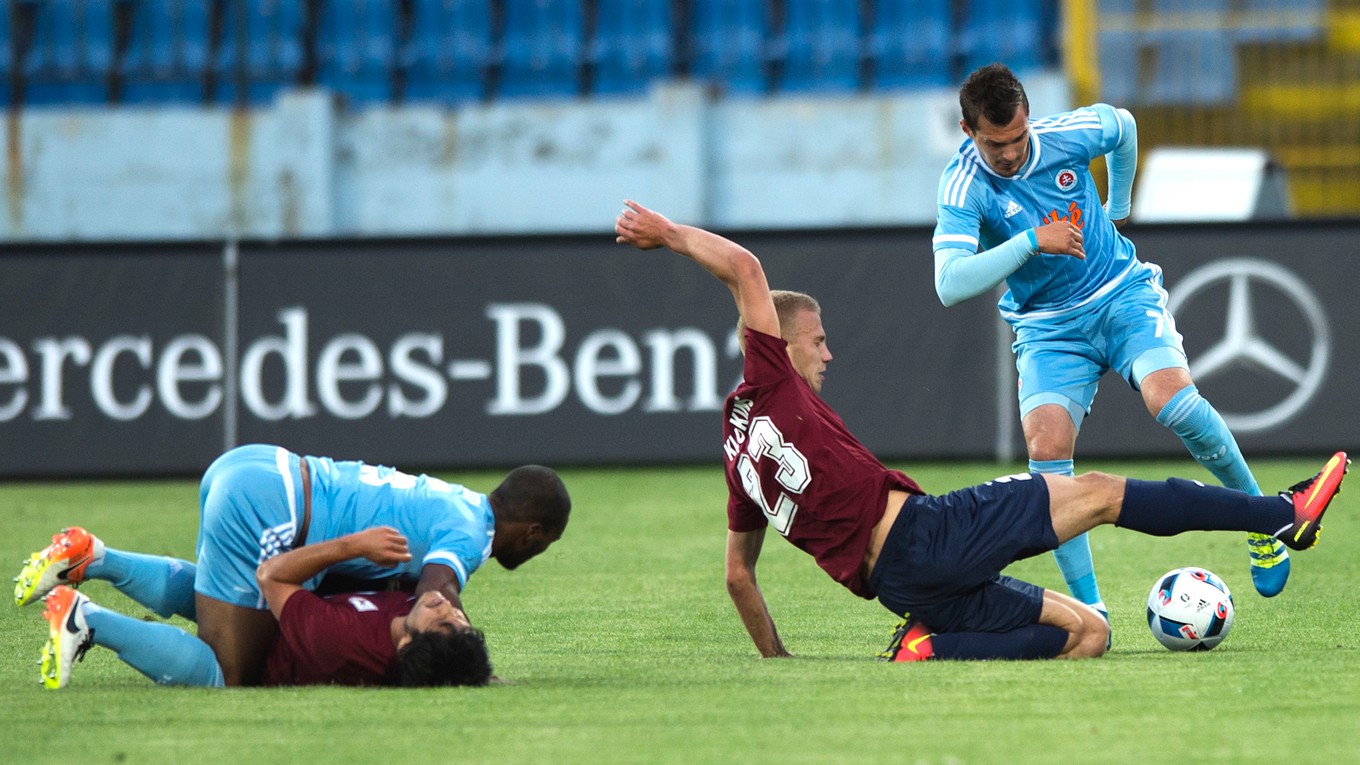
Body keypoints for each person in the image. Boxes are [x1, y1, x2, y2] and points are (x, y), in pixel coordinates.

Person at [614, 199, 1348, 661]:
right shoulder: (770, 374)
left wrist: (778, 661)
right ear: (784, 342)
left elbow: (739, 573)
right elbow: (744, 268)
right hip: (925, 535)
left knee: (1090, 634)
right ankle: (1280, 514)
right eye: (819, 340)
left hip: (901, 584)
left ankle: (935, 644)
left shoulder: (736, 451)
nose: (828, 351)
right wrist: (669, 232)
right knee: (1095, 492)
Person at [930, 63, 1290, 610]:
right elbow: (949, 285)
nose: (1009, 153)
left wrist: (1118, 207)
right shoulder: (963, 186)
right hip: (1048, 326)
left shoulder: (1064, 136)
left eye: (1017, 138)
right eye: (993, 143)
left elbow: (1122, 126)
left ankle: (1263, 524)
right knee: (1046, 453)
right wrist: (1031, 241)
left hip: (1120, 293)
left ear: (1029, 119)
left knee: (1174, 404)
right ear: (967, 131)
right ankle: (1090, 610)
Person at [15, 443, 570, 685]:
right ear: (532, 532)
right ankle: (85, 620)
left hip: (259, 466)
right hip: (275, 508)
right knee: (228, 671)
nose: (536, 553)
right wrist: (468, 664)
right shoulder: (472, 532)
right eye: (542, 546)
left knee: (227, 607)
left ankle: (93, 556)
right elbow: (437, 591)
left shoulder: (457, 500)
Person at [32, 525, 492, 689]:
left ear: (409, 643)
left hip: (264, 648)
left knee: (222, 675)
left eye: (445, 624)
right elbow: (451, 661)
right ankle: (94, 558)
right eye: (462, 621)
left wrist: (351, 544)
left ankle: (87, 618)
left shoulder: (338, 643)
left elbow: (271, 575)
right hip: (280, 614)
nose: (449, 608)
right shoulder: (416, 614)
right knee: (219, 598)